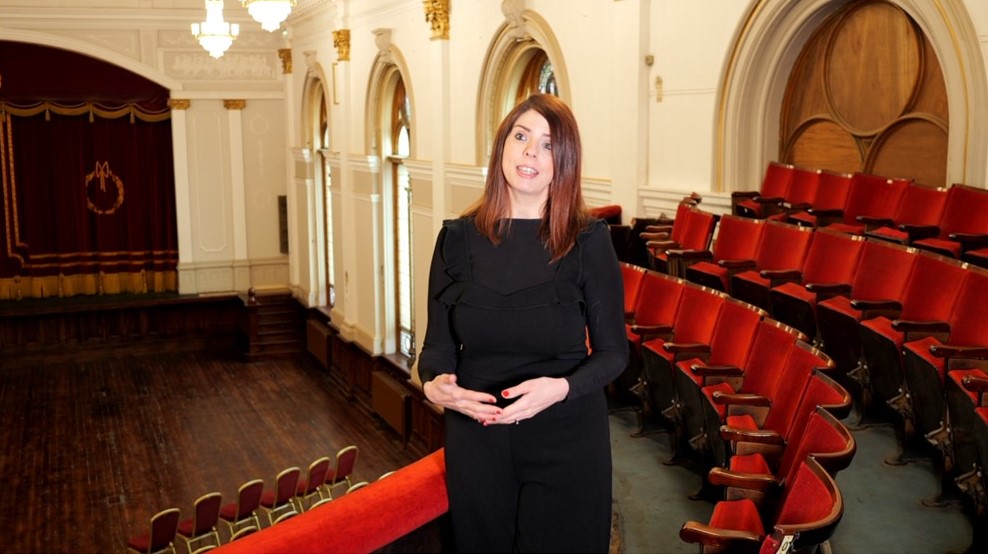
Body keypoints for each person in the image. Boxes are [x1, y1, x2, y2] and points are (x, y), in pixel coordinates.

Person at [417, 93, 629, 553]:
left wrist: (560, 388)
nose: (531, 151)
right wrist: (433, 384)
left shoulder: (589, 240)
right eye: (521, 136)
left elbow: (615, 353)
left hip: (567, 435)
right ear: (502, 148)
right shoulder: (455, 239)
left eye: (549, 144)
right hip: (478, 436)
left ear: (564, 163)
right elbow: (436, 348)